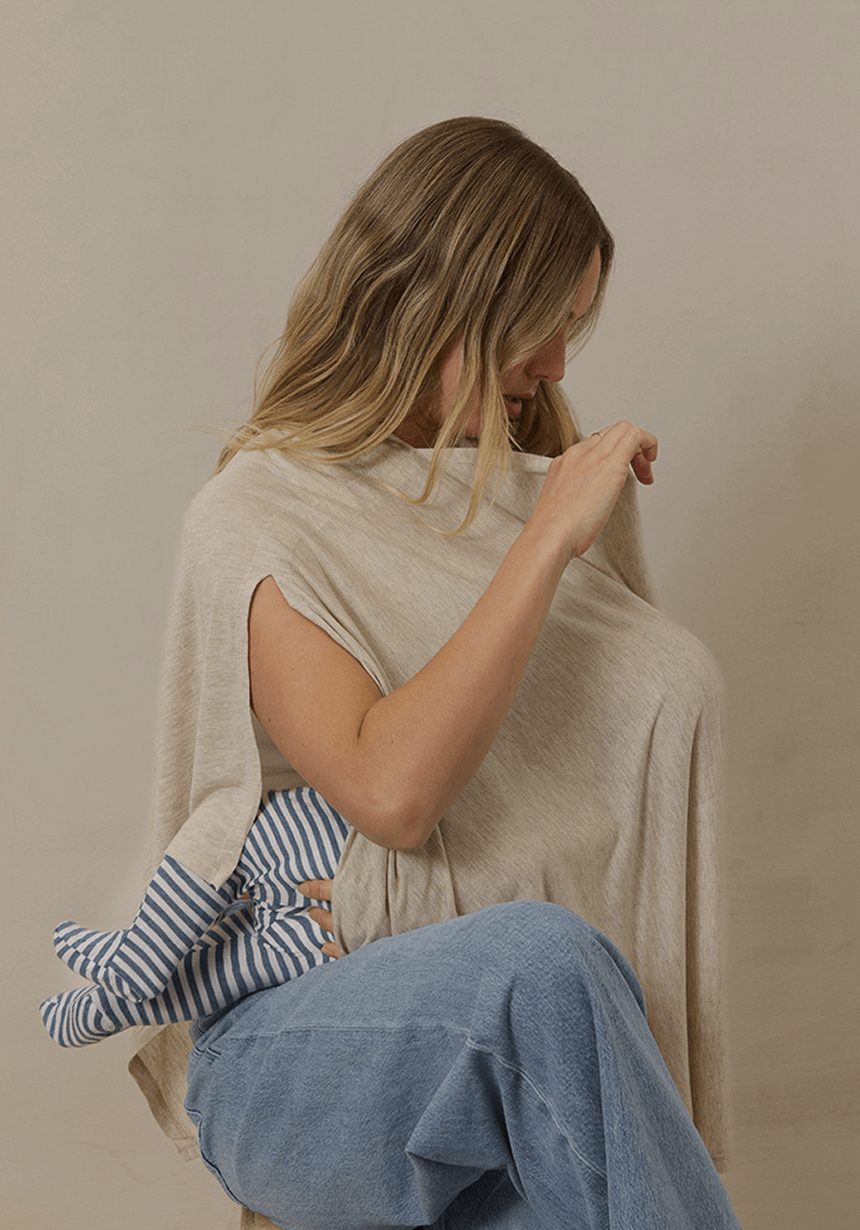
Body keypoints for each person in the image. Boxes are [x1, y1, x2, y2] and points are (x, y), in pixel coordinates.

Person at [42, 117, 741, 1228]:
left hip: (525, 1065)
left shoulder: (531, 488)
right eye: (537, 323)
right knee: (541, 968)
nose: (559, 365)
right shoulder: (262, 512)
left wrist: (545, 518)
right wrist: (541, 545)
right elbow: (390, 792)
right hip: (295, 1050)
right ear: (435, 300)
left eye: (572, 326)